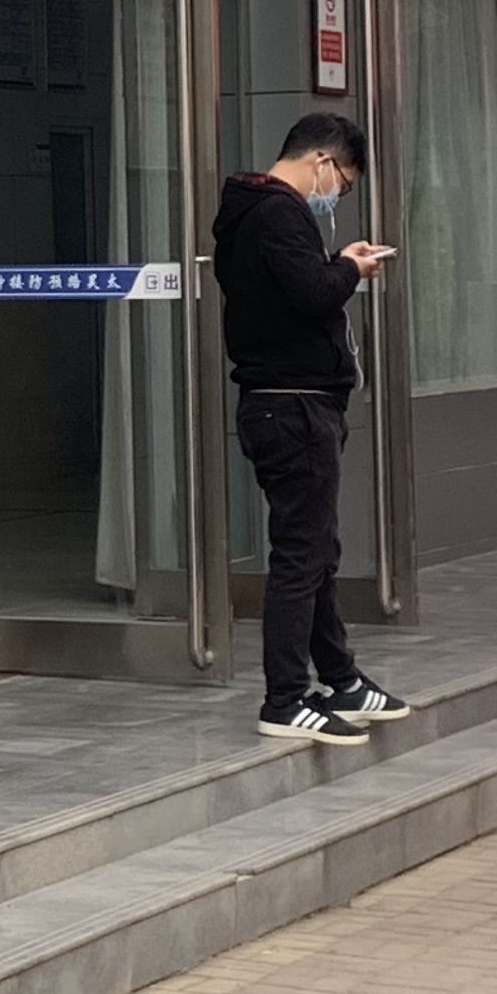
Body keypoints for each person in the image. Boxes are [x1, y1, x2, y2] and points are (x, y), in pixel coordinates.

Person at [214, 109, 404, 745]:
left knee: (316, 550)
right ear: (322, 161)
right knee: (301, 555)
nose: (336, 196)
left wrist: (337, 262)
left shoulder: (251, 213)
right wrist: (350, 270)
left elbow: (292, 287)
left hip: (287, 404)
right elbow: (312, 294)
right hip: (291, 407)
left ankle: (341, 679)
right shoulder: (277, 213)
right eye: (342, 184)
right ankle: (285, 698)